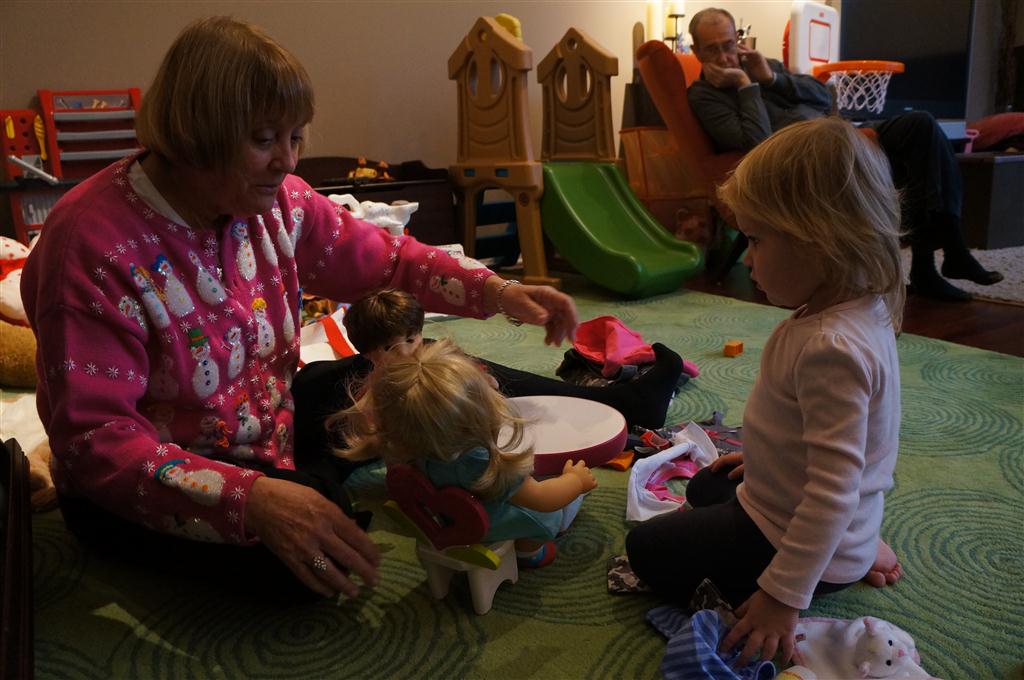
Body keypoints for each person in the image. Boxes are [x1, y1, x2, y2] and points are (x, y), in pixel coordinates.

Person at [20, 16, 581, 601]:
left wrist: (499, 291)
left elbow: (387, 260)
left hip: (269, 427)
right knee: (319, 564)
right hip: (159, 481)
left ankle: (607, 401)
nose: (288, 161)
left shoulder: (278, 203)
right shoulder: (88, 244)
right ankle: (311, 486)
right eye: (265, 140)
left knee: (412, 373)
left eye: (296, 138)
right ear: (195, 135)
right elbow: (96, 440)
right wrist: (254, 500)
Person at [626, 117, 906, 667]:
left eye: (755, 239)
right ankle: (855, 544)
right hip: (807, 513)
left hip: (803, 542)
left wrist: (782, 597)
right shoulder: (856, 309)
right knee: (706, 486)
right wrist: (765, 461)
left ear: (821, 240)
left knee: (646, 552)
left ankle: (838, 560)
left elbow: (832, 491)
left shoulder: (831, 348)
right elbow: (825, 441)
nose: (747, 257)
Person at [686, 8, 1003, 302]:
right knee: (914, 147)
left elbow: (824, 96)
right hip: (810, 158)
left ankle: (942, 254)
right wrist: (746, 86)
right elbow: (758, 145)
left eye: (729, 45)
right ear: (697, 51)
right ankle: (940, 260)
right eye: (712, 49)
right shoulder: (704, 95)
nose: (725, 57)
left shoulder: (762, 67)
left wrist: (771, 78)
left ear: (738, 40)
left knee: (922, 126)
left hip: (839, 136)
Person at [292, 288, 688, 470]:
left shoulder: (420, 353)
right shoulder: (366, 390)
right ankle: (626, 403)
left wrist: (480, 384)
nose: (408, 350)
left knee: (443, 361)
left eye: (412, 339)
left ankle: (623, 403)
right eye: (392, 347)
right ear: (368, 352)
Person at [334, 338, 599, 567]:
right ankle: (529, 552)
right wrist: (575, 481)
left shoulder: (408, 446)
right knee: (551, 516)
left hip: (447, 515)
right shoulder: (483, 463)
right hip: (484, 523)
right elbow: (543, 499)